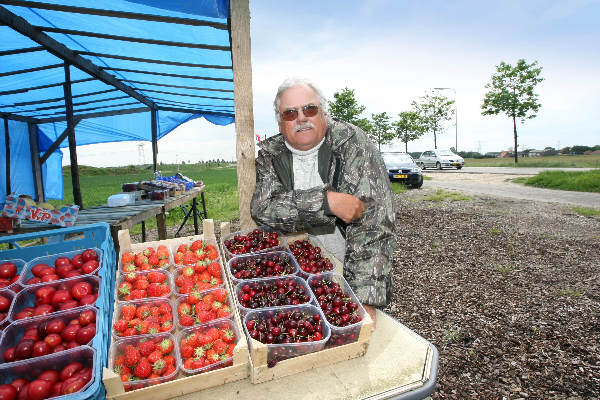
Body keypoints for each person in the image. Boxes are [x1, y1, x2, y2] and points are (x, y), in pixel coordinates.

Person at [250, 78, 396, 327]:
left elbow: (373, 225)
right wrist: (325, 202)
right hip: (293, 263)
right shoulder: (270, 154)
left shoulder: (352, 144)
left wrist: (364, 299)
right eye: (290, 113)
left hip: (347, 260)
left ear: (323, 112)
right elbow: (263, 209)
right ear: (280, 121)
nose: (301, 118)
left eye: (309, 109)